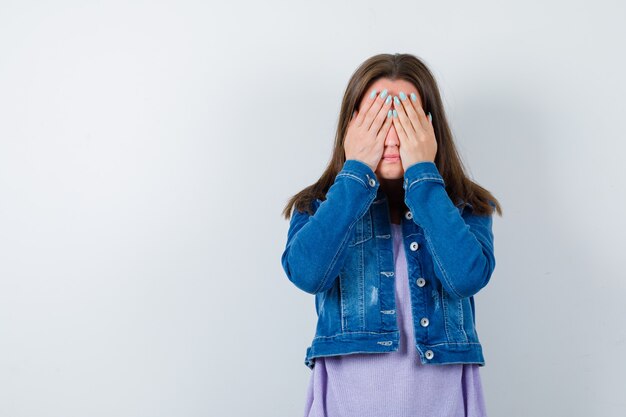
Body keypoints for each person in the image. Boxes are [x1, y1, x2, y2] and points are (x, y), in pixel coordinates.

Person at [280, 53, 503, 417]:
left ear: (430, 128)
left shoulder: (466, 206)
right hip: (347, 402)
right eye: (377, 118)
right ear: (351, 127)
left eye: (406, 119)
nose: (391, 136)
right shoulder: (318, 206)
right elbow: (306, 273)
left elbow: (466, 277)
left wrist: (423, 174)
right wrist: (354, 172)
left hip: (443, 401)